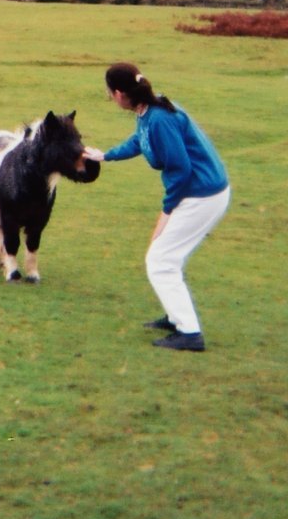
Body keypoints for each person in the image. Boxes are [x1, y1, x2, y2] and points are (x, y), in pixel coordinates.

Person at [82, 63, 230, 352]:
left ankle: (189, 333)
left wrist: (166, 212)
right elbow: (141, 140)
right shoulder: (147, 109)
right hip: (199, 191)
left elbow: (180, 169)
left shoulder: (160, 117)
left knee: (160, 261)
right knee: (165, 258)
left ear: (120, 93)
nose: (110, 98)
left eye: (110, 93)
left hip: (202, 194)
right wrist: (106, 156)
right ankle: (177, 317)